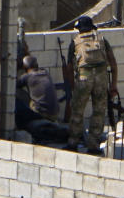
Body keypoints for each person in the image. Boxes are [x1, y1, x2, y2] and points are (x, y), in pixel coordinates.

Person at [65, 16, 118, 154]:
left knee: (77, 111)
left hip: (83, 79)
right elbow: (113, 63)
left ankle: (73, 143)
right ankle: (93, 144)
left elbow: (69, 68)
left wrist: (72, 86)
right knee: (99, 111)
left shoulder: (75, 43)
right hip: (101, 78)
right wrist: (113, 85)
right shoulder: (102, 40)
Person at [15, 55, 59, 128]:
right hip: (55, 114)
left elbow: (14, 85)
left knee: (18, 98)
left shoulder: (27, 76)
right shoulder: (45, 72)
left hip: (41, 114)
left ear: (25, 68)